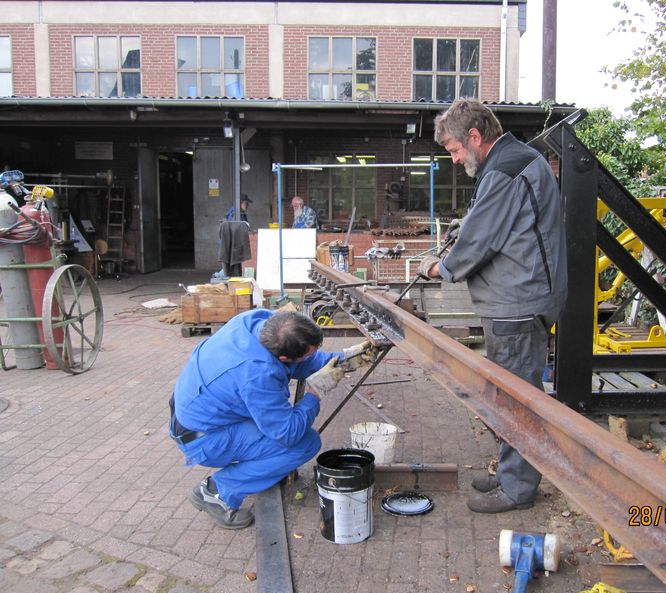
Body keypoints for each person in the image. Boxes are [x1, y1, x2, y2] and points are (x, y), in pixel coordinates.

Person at [417, 99, 567, 514]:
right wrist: (466, 224)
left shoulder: (505, 169)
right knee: (507, 394)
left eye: (454, 149)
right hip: (519, 299)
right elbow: (503, 222)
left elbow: (479, 243)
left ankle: (518, 489)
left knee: (515, 399)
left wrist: (439, 267)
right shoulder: (512, 162)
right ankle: (509, 472)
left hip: (519, 304)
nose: (454, 158)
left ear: (475, 137)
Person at [169, 309, 375, 529]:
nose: (308, 358)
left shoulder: (256, 321)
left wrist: (343, 359)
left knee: (281, 429)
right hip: (204, 439)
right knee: (304, 443)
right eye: (306, 355)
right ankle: (217, 491)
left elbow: (300, 360)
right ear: (283, 358)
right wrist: (315, 392)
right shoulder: (258, 375)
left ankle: (259, 469)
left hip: (201, 413)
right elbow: (287, 433)